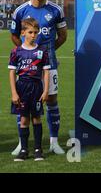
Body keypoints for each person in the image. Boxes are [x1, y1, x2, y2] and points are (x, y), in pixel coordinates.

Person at [10, 0, 67, 156]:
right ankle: (22, 143)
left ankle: (54, 142)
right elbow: (14, 35)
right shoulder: (20, 11)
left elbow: (63, 36)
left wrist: (47, 53)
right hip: (27, 66)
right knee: (22, 102)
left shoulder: (56, 10)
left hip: (49, 65)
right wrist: (27, 53)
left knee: (51, 100)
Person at [9, 18, 50, 161]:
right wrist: (14, 92)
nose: (33, 35)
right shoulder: (16, 51)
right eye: (30, 32)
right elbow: (12, 73)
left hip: (37, 87)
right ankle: (24, 149)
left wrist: (45, 91)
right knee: (24, 119)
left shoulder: (42, 51)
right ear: (22, 33)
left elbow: (46, 72)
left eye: (36, 32)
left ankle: (38, 150)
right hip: (22, 87)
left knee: (37, 118)